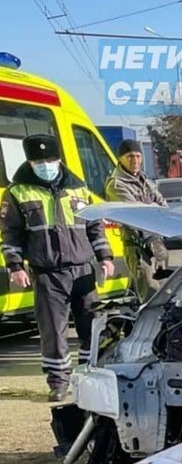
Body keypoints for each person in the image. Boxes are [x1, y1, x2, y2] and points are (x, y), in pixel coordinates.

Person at [0, 134, 115, 403]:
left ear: (59, 159)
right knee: (53, 331)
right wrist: (15, 266)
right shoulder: (17, 192)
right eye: (39, 161)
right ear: (29, 162)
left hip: (82, 270)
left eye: (50, 159)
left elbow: (95, 227)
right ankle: (58, 382)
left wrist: (105, 257)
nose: (46, 164)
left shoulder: (79, 188)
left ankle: (89, 375)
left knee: (90, 326)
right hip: (48, 273)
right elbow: (11, 234)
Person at [105, 138, 168, 298]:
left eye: (138, 156)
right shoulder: (117, 184)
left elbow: (164, 207)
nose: (135, 161)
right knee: (150, 292)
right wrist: (153, 208)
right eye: (130, 156)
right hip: (137, 246)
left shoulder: (145, 180)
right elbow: (137, 214)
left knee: (165, 290)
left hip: (156, 242)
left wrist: (153, 208)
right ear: (121, 158)